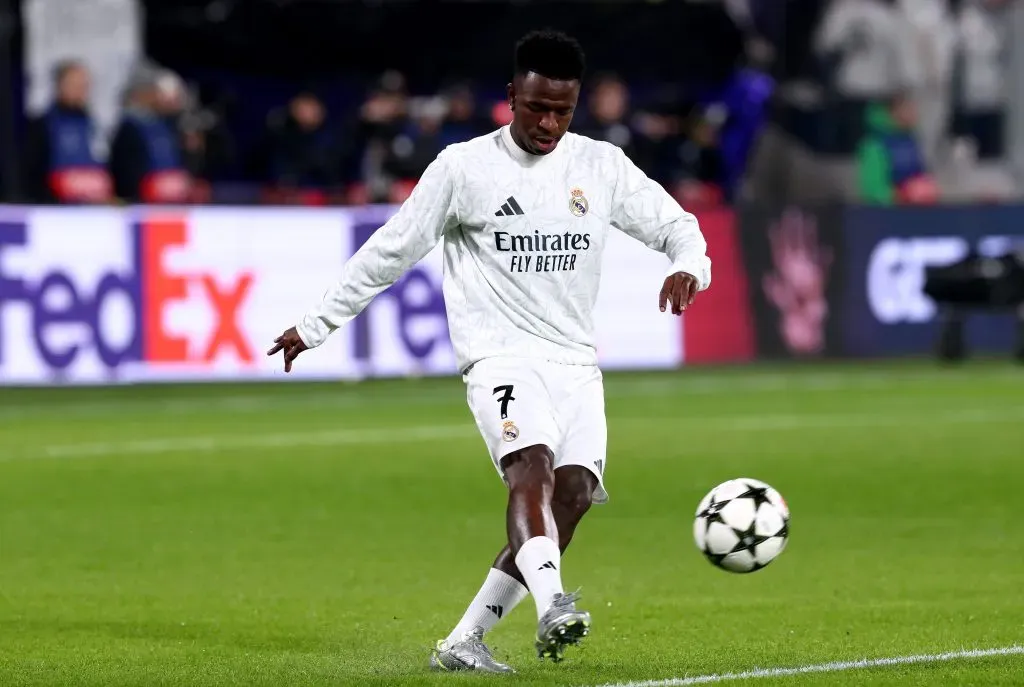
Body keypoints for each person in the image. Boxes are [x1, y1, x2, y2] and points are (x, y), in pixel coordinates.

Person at [267, 30, 712, 672]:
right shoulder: (464, 168)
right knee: (531, 468)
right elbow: (391, 249)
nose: (549, 124)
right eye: (537, 108)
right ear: (511, 96)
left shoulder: (601, 166)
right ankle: (554, 606)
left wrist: (690, 265)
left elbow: (677, 225)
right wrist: (315, 325)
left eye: (563, 110)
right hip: (500, 357)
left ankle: (462, 642)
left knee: (574, 495)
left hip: (575, 363)